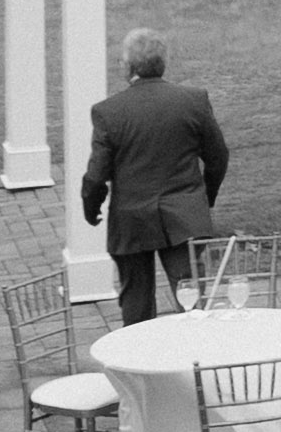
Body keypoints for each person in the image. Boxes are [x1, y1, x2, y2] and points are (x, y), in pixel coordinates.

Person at [80, 25, 228, 324]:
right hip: (184, 217)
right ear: (163, 63)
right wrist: (204, 198)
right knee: (192, 306)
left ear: (130, 67)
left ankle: (140, 353)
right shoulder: (193, 100)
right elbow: (218, 157)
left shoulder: (109, 112)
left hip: (131, 220)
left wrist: (91, 207)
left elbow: (96, 176)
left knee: (137, 308)